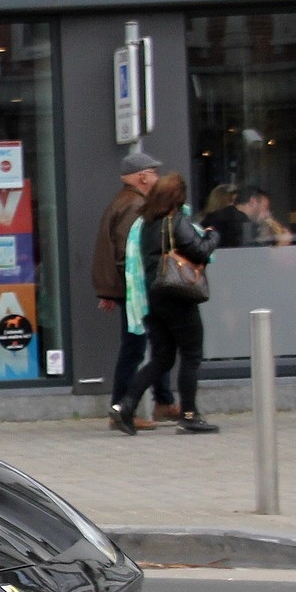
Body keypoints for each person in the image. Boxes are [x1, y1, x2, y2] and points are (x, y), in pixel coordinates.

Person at [111, 173, 218, 435]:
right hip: (178, 296)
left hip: (154, 297)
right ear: (176, 198)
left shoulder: (145, 224)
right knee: (191, 355)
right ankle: (189, 415)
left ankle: (126, 406)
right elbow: (200, 250)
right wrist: (213, 236)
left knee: (162, 358)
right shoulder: (175, 221)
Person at [91, 148, 174, 428]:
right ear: (142, 177)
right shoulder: (135, 206)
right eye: (153, 173)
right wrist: (126, 289)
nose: (157, 177)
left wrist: (109, 291)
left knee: (158, 342)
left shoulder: (124, 201)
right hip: (137, 288)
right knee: (136, 347)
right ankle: (121, 409)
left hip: (130, 288)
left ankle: (163, 400)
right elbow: (128, 252)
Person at [207, 184, 286, 248]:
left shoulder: (215, 216)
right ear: (253, 201)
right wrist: (281, 245)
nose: (267, 214)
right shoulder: (242, 224)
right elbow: (252, 259)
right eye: (266, 208)